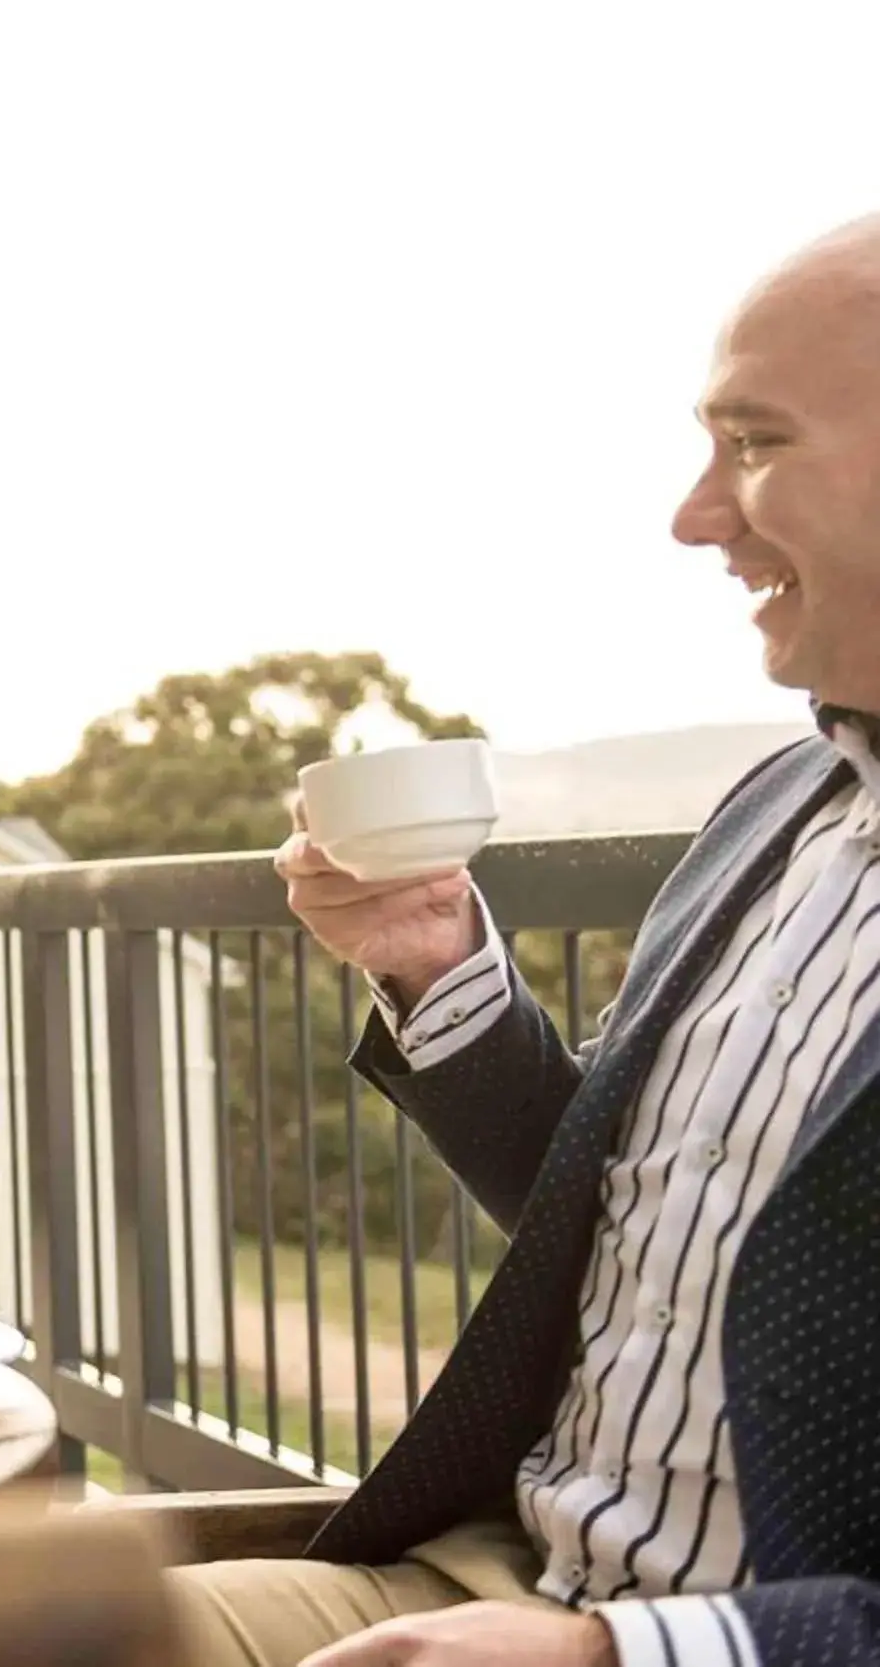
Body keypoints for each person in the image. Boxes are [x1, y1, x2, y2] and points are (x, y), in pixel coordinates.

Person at [173, 214, 880, 1667]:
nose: (697, 515)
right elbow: (629, 1211)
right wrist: (437, 964)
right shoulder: (784, 804)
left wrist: (623, 1655)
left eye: (755, 441)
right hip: (494, 1579)